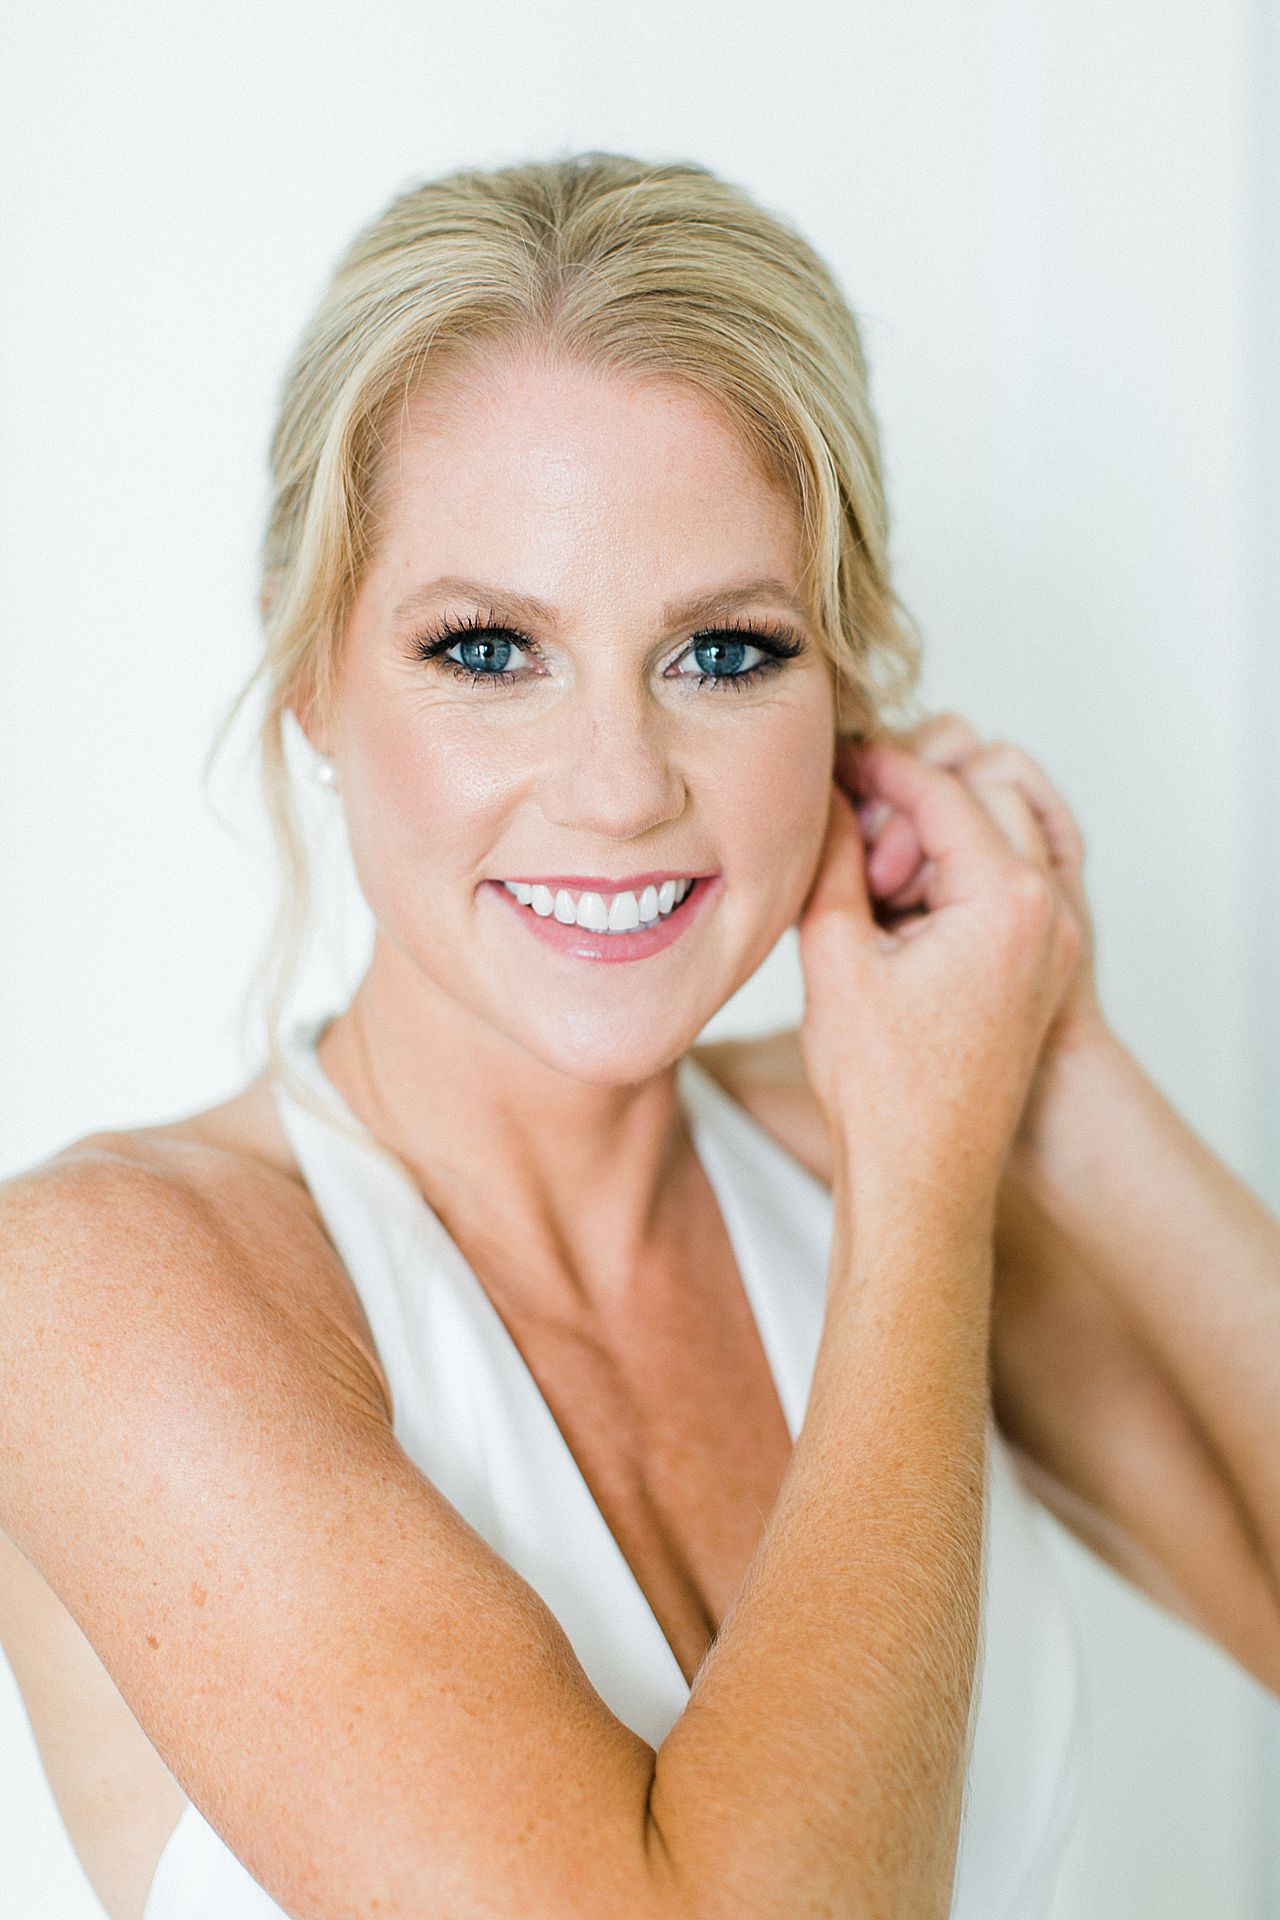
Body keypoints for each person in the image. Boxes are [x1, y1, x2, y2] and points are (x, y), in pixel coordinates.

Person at [1, 151, 1278, 1920]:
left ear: (853, 701)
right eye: (485, 648)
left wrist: (1056, 1070)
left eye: (727, 656)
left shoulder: (899, 1122)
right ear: (313, 679)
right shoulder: (105, 1285)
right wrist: (920, 1182)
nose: (617, 790)